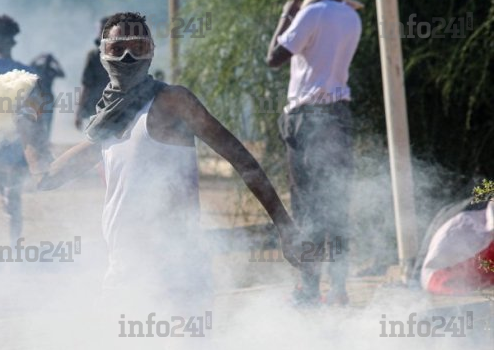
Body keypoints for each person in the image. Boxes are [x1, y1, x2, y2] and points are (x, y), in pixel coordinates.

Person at [17, 12, 301, 324]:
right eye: (117, 49)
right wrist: (27, 131)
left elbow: (241, 159)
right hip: (125, 273)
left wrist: (285, 227)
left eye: (138, 47)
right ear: (102, 54)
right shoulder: (105, 130)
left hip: (178, 271)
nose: (128, 57)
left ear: (151, 50)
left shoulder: (172, 101)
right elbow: (46, 178)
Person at [266, 0, 362, 306]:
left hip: (308, 119)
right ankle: (338, 290)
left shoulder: (313, 13)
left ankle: (308, 291)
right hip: (339, 114)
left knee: (307, 207)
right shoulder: (351, 17)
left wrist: (288, 10)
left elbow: (274, 57)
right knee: (336, 204)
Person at [0, 15, 41, 245]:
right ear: (12, 43)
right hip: (15, 147)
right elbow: (36, 113)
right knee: (13, 198)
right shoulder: (26, 73)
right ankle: (14, 244)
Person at [74, 17, 110, 131]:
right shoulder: (94, 56)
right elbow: (86, 85)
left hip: (114, 107)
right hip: (97, 107)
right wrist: (78, 112)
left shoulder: (124, 57)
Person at [30, 53, 65, 137]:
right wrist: (55, 61)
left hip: (46, 98)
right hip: (40, 98)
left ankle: (45, 139)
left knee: (47, 119)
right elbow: (29, 67)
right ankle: (40, 139)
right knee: (39, 119)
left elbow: (62, 74)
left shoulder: (47, 70)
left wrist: (39, 58)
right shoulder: (41, 69)